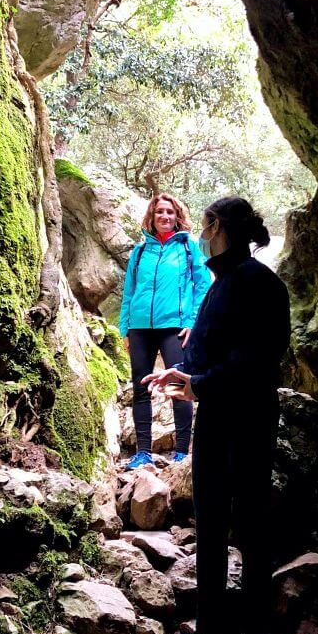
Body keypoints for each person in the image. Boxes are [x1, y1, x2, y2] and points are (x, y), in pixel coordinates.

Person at [143, 196, 290, 634]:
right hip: (216, 422)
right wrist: (179, 376)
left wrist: (199, 384)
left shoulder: (262, 284)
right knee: (210, 527)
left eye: (207, 225)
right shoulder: (219, 285)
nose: (202, 233)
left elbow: (260, 359)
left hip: (249, 422)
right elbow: (210, 354)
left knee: (250, 531)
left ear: (222, 228)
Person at [118, 193, 211, 470]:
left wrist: (193, 323)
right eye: (160, 212)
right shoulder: (140, 251)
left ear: (177, 216)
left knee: (177, 386)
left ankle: (181, 452)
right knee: (141, 387)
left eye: (170, 212)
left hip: (175, 327)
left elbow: (203, 285)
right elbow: (129, 292)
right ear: (152, 215)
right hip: (140, 328)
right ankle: (143, 452)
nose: (165, 216)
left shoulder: (187, 247)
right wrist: (125, 328)